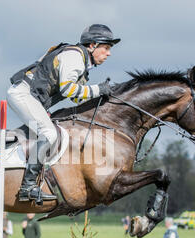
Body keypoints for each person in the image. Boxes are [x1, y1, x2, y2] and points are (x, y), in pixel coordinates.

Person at [7, 24, 120, 203]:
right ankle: (27, 187)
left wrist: (102, 95)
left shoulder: (82, 63)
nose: (109, 53)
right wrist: (98, 90)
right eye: (106, 48)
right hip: (23, 94)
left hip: (33, 97)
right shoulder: (74, 56)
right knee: (49, 134)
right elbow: (68, 89)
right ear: (92, 45)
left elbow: (76, 98)